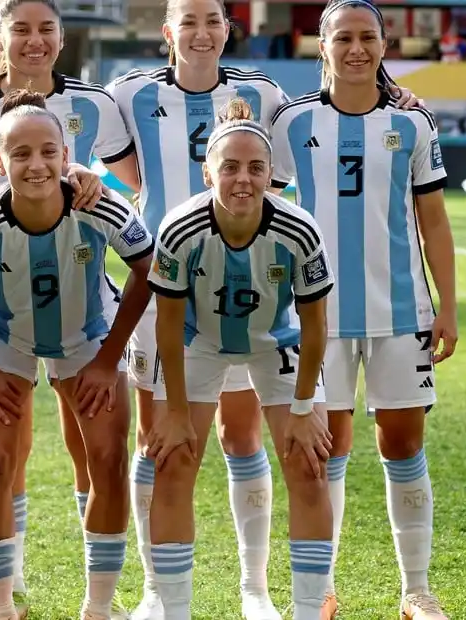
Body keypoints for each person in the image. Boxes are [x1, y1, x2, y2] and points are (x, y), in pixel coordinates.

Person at [0, 2, 141, 614]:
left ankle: (99, 605)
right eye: (19, 154)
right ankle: (3, 604)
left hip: (86, 326)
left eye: (50, 153)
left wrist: (108, 358)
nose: (36, 164)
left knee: (104, 453)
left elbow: (151, 266)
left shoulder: (95, 184)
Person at [268, 2, 457, 618]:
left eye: (367, 38)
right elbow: (261, 208)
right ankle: (322, 590)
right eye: (343, 37)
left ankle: (417, 591)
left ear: (384, 44)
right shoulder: (292, 124)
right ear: (321, 46)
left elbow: (433, 220)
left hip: (402, 311)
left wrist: (447, 308)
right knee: (329, 450)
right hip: (317, 319)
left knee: (403, 445)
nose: (356, 48)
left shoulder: (414, 123)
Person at [105, 0, 288, 615]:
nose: (203, 33)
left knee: (241, 434)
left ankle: (254, 589)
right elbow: (126, 168)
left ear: (227, 30)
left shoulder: (262, 95)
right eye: (189, 22)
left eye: (213, 21)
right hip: (161, 291)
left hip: (238, 291)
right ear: (168, 32)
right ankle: (157, 592)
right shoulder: (128, 94)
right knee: (157, 440)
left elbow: (270, 181)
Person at [144, 98, 336, 620]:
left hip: (276, 339)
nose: (243, 179)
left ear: (272, 173)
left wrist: (302, 409)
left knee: (308, 463)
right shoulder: (180, 229)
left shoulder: (299, 229)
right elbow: (166, 322)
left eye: (256, 168)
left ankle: (302, 611)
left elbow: (315, 325)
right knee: (173, 460)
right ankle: (175, 610)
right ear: (208, 171)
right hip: (198, 340)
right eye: (229, 167)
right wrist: (178, 411)